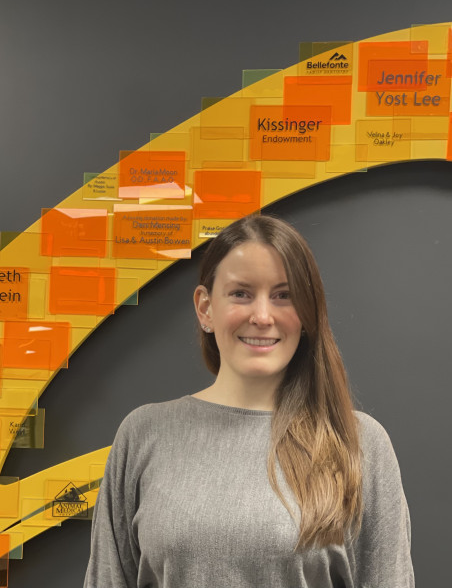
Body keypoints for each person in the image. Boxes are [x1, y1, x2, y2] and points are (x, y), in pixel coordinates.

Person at [84, 214, 414, 588]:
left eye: (284, 295)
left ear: (307, 313)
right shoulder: (143, 435)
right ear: (206, 308)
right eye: (241, 293)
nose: (262, 316)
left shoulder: (358, 442)